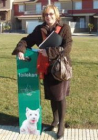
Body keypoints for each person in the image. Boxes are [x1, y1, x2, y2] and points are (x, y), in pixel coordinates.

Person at [12, 4, 72, 139]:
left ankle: (61, 126)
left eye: (51, 14)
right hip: (46, 67)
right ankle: (55, 121)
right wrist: (21, 49)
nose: (48, 17)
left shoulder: (64, 28)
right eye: (46, 15)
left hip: (60, 68)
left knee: (60, 97)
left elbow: (67, 47)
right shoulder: (40, 29)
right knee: (52, 96)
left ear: (56, 15)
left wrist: (48, 51)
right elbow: (27, 40)